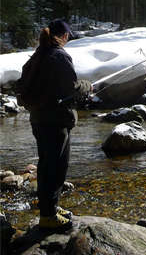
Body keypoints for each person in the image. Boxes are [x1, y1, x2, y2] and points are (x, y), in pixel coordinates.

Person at [18, 20, 92, 231]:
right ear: (64, 35)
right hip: (56, 121)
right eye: (68, 35)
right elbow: (71, 88)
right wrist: (87, 87)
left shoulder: (38, 55)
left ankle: (51, 207)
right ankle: (48, 216)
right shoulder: (59, 55)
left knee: (48, 165)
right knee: (55, 167)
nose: (68, 39)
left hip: (39, 119)